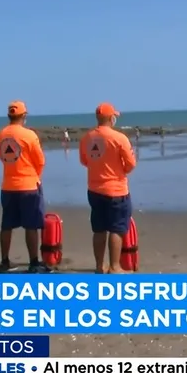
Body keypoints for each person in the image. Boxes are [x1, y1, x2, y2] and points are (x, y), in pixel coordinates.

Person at [79, 102, 137, 274]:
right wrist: (119, 170)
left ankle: (99, 266)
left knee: (99, 229)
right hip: (116, 190)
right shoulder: (119, 138)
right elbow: (131, 164)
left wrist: (98, 166)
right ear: (111, 118)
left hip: (94, 189)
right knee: (116, 229)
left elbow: (84, 160)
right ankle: (115, 266)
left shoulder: (87, 138)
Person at [0, 101, 48, 274]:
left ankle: (4, 261)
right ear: (24, 116)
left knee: (7, 225)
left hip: (8, 185)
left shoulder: (1, 135)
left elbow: (2, 156)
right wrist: (35, 176)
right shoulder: (29, 135)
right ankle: (33, 263)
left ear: (9, 116)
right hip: (28, 185)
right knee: (31, 225)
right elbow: (40, 161)